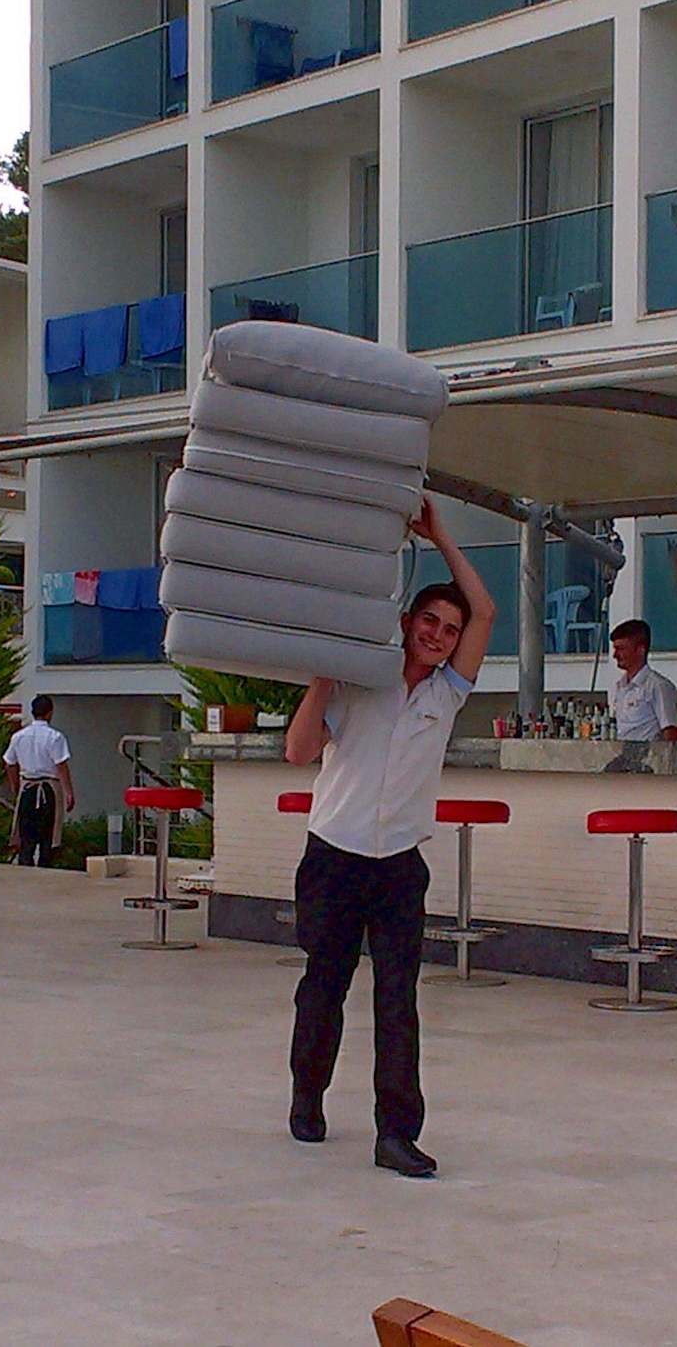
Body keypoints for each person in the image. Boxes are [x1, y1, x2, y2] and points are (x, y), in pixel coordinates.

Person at [284, 497, 496, 1179]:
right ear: (406, 622)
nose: (439, 635)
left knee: (398, 999)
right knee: (324, 986)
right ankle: (307, 1095)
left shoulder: (447, 694)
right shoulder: (357, 682)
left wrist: (440, 536)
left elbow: (486, 611)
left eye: (449, 629)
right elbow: (298, 751)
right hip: (333, 857)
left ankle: (396, 1134)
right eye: (429, 621)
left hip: (399, 865)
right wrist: (322, 676)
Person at [3, 695, 76, 867]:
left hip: (27, 786)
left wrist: (15, 786)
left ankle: (25, 866)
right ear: (50, 713)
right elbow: (61, 766)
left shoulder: (19, 736)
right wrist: (69, 792)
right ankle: (45, 866)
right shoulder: (55, 737)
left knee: (26, 834)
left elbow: (9, 763)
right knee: (48, 836)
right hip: (49, 787)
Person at [611, 618, 677, 741]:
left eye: (621, 649)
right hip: (623, 750)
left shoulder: (658, 686)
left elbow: (670, 732)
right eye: (615, 649)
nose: (615, 655)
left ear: (640, 650)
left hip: (648, 751)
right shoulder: (619, 686)